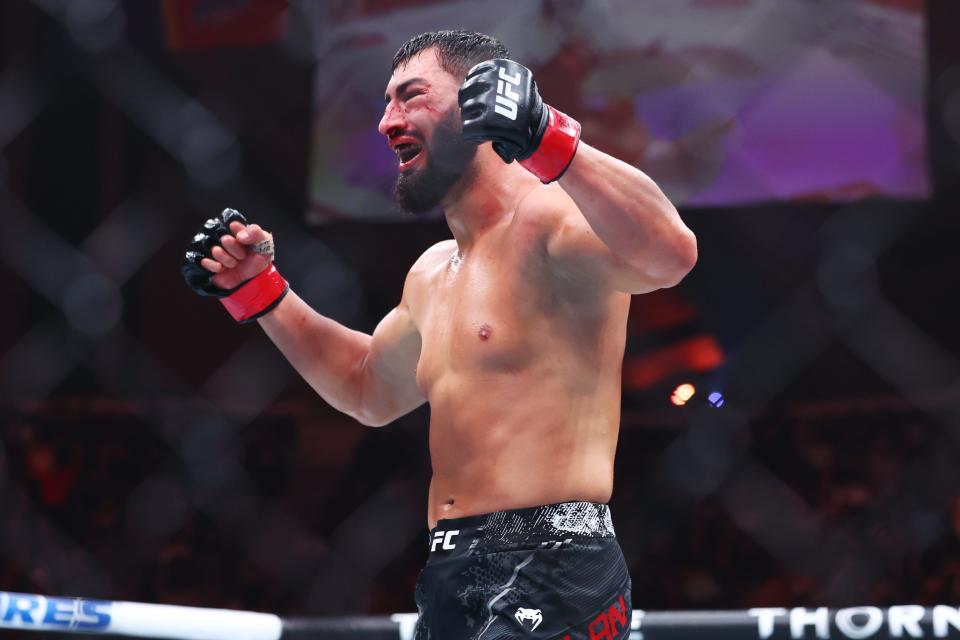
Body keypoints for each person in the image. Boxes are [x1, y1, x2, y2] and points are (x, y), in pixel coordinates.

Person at [182, 30, 696, 640]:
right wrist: (260, 292)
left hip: (554, 559)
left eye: (410, 97)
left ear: (478, 101)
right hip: (450, 565)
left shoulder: (549, 219)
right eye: (385, 102)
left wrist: (548, 136)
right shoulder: (431, 272)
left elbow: (669, 255)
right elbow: (367, 388)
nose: (385, 122)